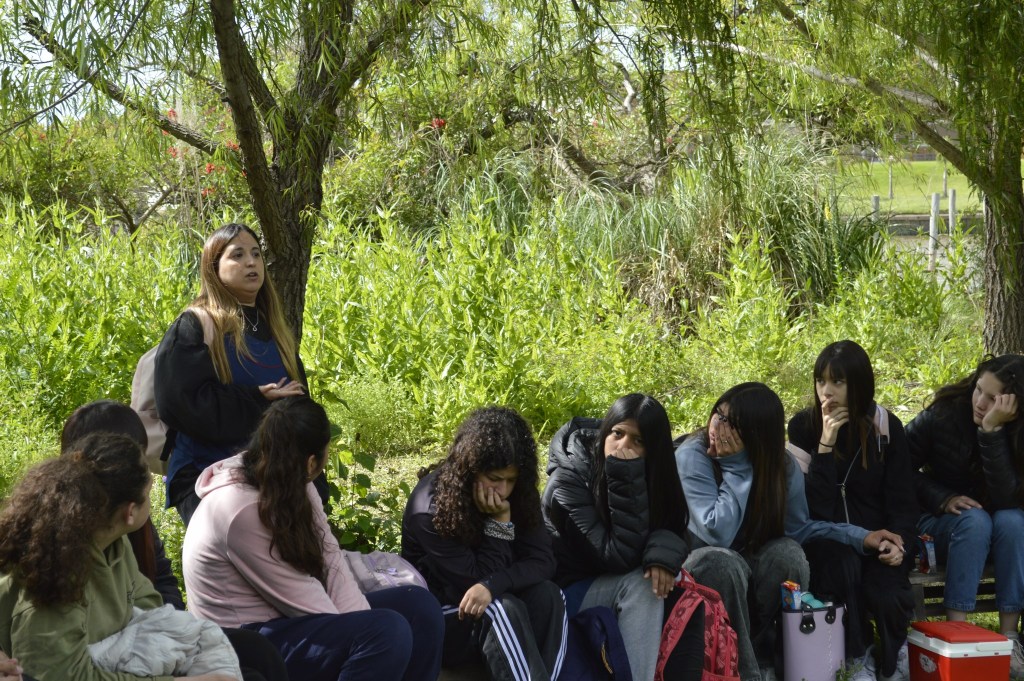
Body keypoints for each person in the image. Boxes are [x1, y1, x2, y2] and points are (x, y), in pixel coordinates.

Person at [184, 395, 444, 681]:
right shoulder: (239, 510)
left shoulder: (295, 480)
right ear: (311, 462)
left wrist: (359, 618)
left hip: (285, 618)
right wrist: (358, 628)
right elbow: (297, 597)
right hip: (241, 642)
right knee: (385, 633)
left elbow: (330, 558)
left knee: (420, 608)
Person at [676, 382, 903, 681]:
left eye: (732, 423)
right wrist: (735, 467)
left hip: (748, 562)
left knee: (788, 554)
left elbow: (800, 529)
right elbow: (716, 533)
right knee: (723, 563)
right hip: (696, 565)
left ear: (758, 434)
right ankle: (745, 673)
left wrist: (861, 536)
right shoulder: (694, 455)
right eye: (718, 414)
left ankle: (771, 659)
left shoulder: (780, 465)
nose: (718, 427)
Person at [61, 400, 288, 681]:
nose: (146, 471)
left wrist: (171, 638)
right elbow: (72, 665)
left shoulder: (123, 531)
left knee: (256, 651)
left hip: (144, 637)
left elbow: (160, 586)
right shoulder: (62, 550)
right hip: (110, 653)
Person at [0, 433, 237, 681]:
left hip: (112, 658)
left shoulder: (111, 540)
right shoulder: (54, 577)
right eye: (148, 493)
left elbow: (148, 605)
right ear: (130, 512)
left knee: (250, 651)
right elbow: (58, 676)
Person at [542, 393, 703, 681]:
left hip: (613, 581)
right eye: (617, 433)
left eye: (638, 440)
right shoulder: (567, 481)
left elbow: (675, 526)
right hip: (565, 594)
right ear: (605, 432)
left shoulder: (653, 474)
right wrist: (625, 479)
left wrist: (661, 555)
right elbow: (616, 556)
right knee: (645, 586)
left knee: (683, 592)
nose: (623, 445)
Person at [155, 222, 307, 525]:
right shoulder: (196, 325)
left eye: (256, 254)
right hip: (208, 476)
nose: (251, 262)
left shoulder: (276, 331)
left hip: (274, 477)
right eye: (237, 255)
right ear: (213, 267)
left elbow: (301, 403)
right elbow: (180, 403)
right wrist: (256, 400)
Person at [402, 406, 567, 681]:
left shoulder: (518, 493)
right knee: (500, 608)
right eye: (494, 479)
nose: (502, 490)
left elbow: (543, 561)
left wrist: (495, 584)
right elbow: (474, 582)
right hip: (444, 617)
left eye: (510, 480)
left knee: (549, 595)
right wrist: (499, 525)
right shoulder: (429, 509)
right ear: (471, 470)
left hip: (497, 600)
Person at [788, 341, 916, 681]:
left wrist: (899, 544)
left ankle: (893, 659)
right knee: (843, 566)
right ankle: (858, 656)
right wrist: (825, 446)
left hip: (879, 538)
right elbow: (813, 508)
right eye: (820, 381)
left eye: (838, 382)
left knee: (887, 589)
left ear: (858, 384)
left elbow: (903, 501)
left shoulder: (886, 427)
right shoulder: (803, 427)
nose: (826, 391)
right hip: (827, 538)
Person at [906, 353, 1024, 676]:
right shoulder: (945, 413)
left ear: (1014, 404)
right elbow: (898, 467)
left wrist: (991, 431)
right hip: (938, 525)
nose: (981, 403)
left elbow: (1008, 498)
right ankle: (957, 636)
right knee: (975, 521)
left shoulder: (1017, 430)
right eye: (978, 390)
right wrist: (942, 498)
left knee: (1013, 520)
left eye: (993, 398)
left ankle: (1009, 638)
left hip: (998, 530)